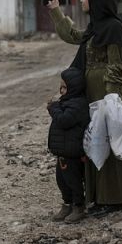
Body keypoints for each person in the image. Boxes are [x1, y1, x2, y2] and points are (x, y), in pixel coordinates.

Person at [46, 0, 122, 216]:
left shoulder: (115, 28)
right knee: (93, 142)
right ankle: (98, 197)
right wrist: (57, 11)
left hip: (105, 93)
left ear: (96, 1)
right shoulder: (95, 27)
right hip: (91, 91)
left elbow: (116, 65)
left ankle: (115, 198)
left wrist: (110, 97)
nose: (82, 1)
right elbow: (74, 36)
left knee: (110, 139)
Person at [46, 67, 91, 224]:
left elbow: (64, 120)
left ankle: (78, 206)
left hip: (72, 152)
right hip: (63, 151)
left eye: (64, 87)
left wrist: (53, 108)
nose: (61, 90)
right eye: (61, 86)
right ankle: (67, 204)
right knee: (62, 180)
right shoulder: (67, 102)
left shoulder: (78, 104)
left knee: (74, 181)